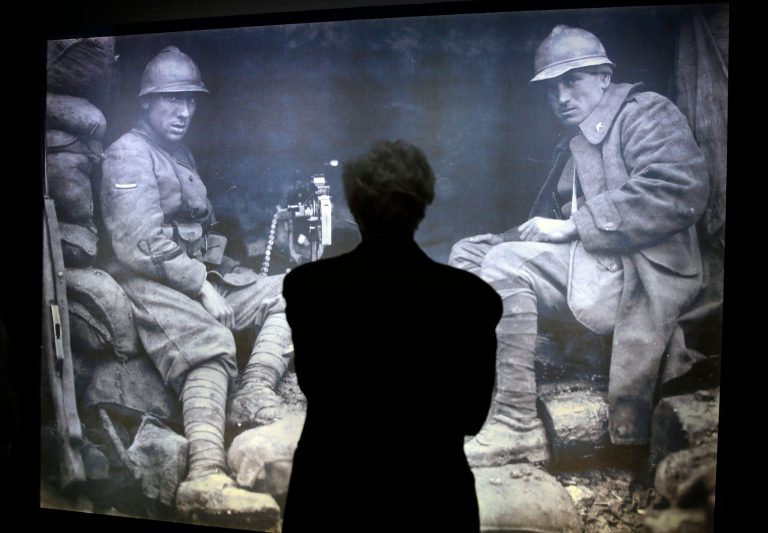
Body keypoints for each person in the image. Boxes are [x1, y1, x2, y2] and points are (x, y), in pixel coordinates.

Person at [450, 25, 709, 466]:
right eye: (551, 88)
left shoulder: (644, 113)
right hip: (594, 267)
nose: (561, 97)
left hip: (641, 274)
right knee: (469, 255)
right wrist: (507, 239)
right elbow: (555, 226)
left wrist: (574, 226)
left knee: (505, 266)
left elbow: (679, 189)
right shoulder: (577, 140)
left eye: (572, 81)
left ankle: (517, 423)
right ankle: (512, 380)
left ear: (605, 76)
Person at [100, 46, 293, 510]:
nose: (184, 111)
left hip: (195, 276)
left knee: (294, 290)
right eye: (172, 100)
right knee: (211, 343)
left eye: (190, 100)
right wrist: (203, 287)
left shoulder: (178, 153)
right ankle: (205, 476)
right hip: (146, 282)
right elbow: (138, 241)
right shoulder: (128, 153)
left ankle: (252, 391)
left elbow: (198, 230)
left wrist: (223, 274)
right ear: (147, 102)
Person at [281, 140, 501, 532]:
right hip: (432, 502)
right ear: (423, 205)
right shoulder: (473, 299)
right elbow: (472, 417)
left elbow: (313, 383)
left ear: (352, 208)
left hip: (328, 498)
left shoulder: (307, 287)